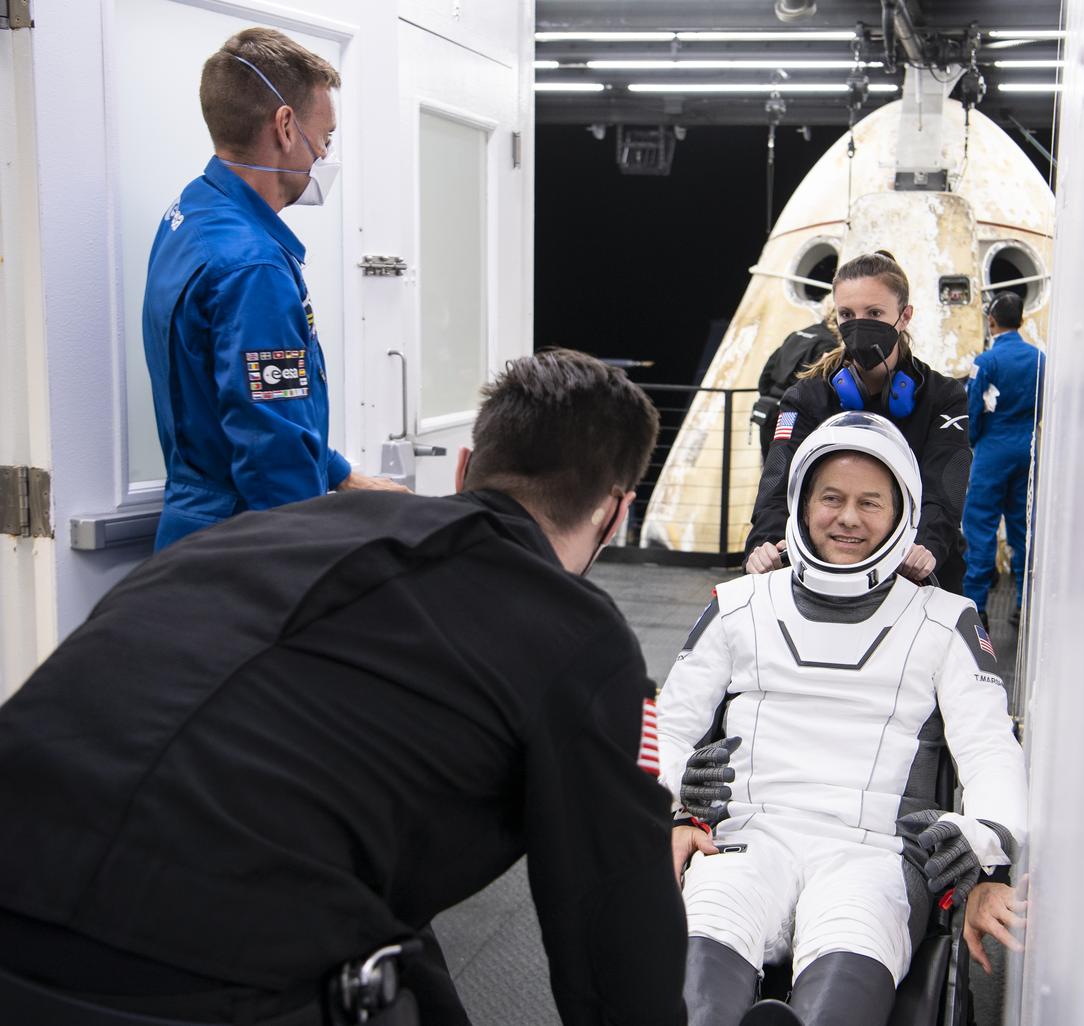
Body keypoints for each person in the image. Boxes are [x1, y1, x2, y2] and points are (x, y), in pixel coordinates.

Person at [0, 350, 687, 1026]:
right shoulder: (578, 635)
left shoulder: (249, 537)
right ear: (615, 514)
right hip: (186, 971)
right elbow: (615, 918)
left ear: (463, 468)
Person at [659, 412, 1027, 1026]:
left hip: (875, 855)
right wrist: (669, 810)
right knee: (711, 926)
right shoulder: (738, 604)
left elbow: (991, 749)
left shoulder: (946, 619)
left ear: (901, 513)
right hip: (749, 840)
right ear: (802, 505)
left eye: (869, 502)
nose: (848, 517)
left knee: (854, 935)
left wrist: (987, 843)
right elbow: (669, 727)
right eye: (830, 498)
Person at [142, 27, 405, 552]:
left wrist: (339, 473)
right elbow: (269, 447)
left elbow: (235, 398)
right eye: (325, 138)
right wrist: (306, 561)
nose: (325, 155)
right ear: (286, 127)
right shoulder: (252, 266)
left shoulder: (191, 214)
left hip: (199, 531)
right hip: (243, 545)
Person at [744, 252, 971, 594]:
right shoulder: (805, 397)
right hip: (820, 573)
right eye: (847, 314)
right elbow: (777, 482)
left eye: (875, 313)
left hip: (913, 574)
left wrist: (928, 548)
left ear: (904, 316)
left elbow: (945, 490)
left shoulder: (943, 396)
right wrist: (764, 544)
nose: (859, 324)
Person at [962, 291, 1048, 627]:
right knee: (1023, 527)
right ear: (1022, 320)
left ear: (991, 321)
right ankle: (1023, 603)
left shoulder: (985, 362)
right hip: (1027, 447)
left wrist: (973, 441)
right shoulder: (1040, 358)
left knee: (980, 525)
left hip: (992, 450)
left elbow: (972, 409)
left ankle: (976, 605)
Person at [751, 301, 840, 460]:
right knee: (789, 465)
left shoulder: (797, 334)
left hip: (768, 411)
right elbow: (818, 390)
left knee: (771, 467)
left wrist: (772, 398)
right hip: (789, 414)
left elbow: (764, 378)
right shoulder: (829, 344)